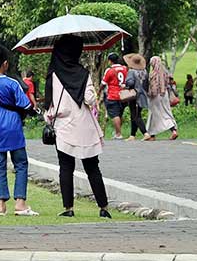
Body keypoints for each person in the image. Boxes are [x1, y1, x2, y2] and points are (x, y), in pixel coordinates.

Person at [44, 35, 111, 218]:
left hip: (63, 127)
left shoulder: (53, 75)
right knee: (92, 167)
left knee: (65, 167)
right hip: (84, 127)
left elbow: (49, 106)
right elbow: (89, 99)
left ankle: (68, 208)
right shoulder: (82, 73)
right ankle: (103, 207)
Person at [0, 45, 37, 217]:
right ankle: (20, 203)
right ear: (5, 64)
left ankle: (1, 206)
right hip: (14, 129)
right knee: (20, 164)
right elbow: (25, 104)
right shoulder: (12, 83)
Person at [144, 56, 179, 141]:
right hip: (165, 95)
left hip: (156, 96)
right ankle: (173, 130)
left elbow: (154, 86)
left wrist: (150, 94)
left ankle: (152, 134)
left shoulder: (154, 73)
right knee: (166, 112)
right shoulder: (165, 72)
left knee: (153, 114)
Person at [101, 52, 129, 139]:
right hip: (124, 95)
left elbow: (103, 83)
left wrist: (98, 92)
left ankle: (118, 134)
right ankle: (117, 132)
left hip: (113, 95)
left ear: (110, 61)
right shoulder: (125, 68)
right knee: (120, 113)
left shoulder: (109, 70)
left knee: (114, 114)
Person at [123, 53, 149, 141]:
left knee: (135, 116)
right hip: (142, 95)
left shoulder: (131, 72)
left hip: (134, 96)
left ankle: (145, 133)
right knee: (136, 114)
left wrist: (126, 86)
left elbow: (130, 83)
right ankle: (132, 135)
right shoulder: (145, 71)